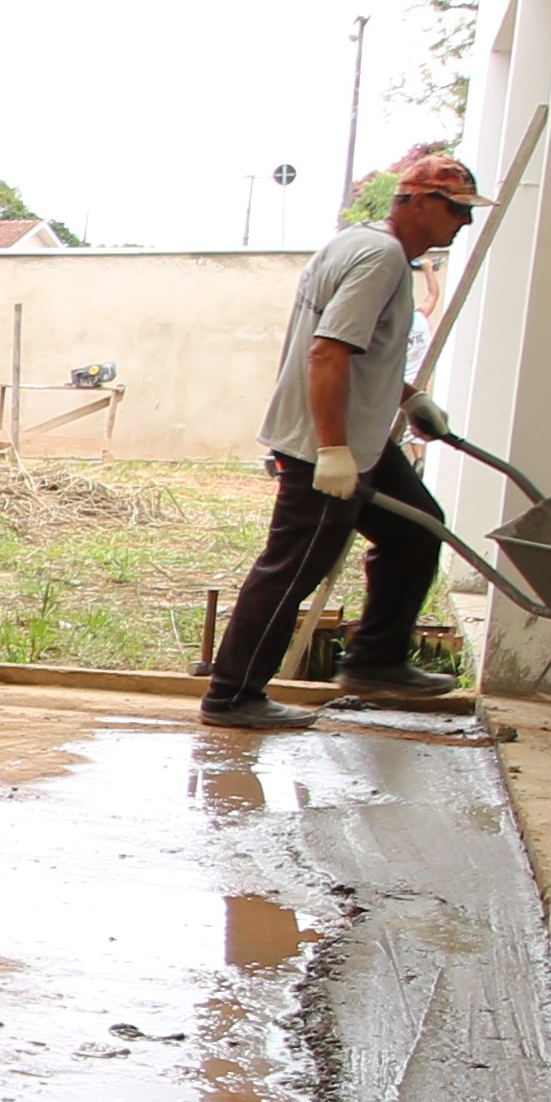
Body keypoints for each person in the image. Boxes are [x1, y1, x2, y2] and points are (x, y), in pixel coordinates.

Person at [193, 149, 489, 730]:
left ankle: (376, 659)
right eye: (457, 210)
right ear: (420, 202)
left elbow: (361, 351)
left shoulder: (362, 245)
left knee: (415, 530)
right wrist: (331, 449)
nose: (464, 223)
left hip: (363, 441)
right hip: (328, 445)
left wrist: (409, 399)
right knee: (294, 567)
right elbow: (328, 351)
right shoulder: (380, 258)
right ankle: (231, 695)